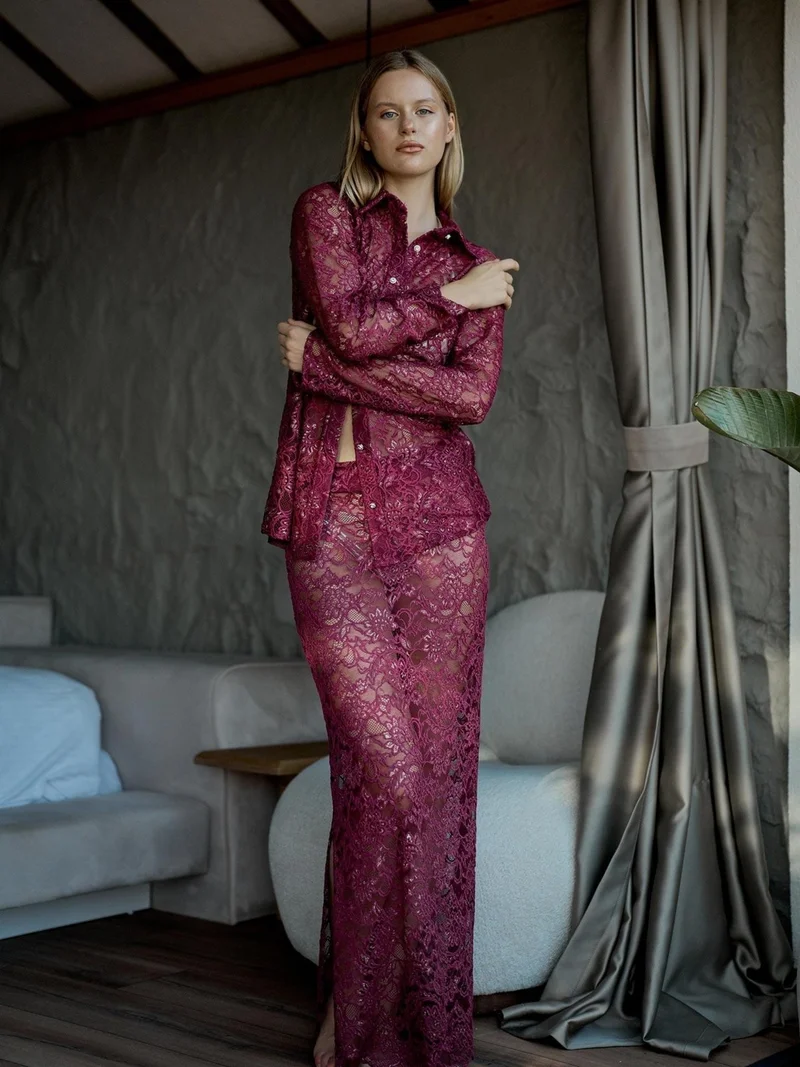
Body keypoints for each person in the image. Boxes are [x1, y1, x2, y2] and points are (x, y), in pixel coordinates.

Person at [262, 47, 518, 1067]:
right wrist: (451, 299)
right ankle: (361, 1020)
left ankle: (397, 1032)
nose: (407, 127)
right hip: (334, 530)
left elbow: (466, 399)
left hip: (443, 537)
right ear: (364, 132)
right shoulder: (325, 213)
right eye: (386, 113)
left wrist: (325, 367)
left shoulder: (482, 261)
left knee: (430, 786)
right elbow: (350, 322)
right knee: (385, 774)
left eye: (424, 111)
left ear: (449, 125)